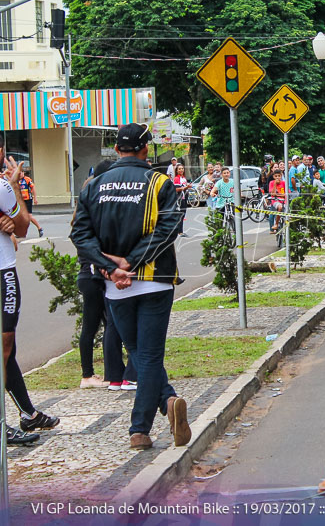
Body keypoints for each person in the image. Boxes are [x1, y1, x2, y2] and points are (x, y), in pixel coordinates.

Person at [70, 122, 191, 451]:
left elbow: (80, 235)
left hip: (113, 287)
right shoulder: (160, 182)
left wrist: (112, 266)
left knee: (139, 353)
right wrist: (132, 263)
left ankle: (164, 403)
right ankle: (142, 426)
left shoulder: (93, 185)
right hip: (154, 281)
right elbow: (170, 227)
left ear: (117, 149)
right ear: (145, 148)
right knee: (148, 356)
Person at [0, 150, 59, 445]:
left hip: (3, 273)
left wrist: (12, 188)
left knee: (6, 347)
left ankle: (28, 414)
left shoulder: (1, 187)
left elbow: (21, 227)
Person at [77, 160, 137, 392]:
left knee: (106, 325)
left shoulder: (89, 201)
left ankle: (112, 375)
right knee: (115, 324)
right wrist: (113, 265)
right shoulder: (100, 205)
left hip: (94, 274)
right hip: (99, 275)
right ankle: (124, 375)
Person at [15, 167, 43, 237]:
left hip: (28, 200)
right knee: (20, 217)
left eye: (21, 173)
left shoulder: (27, 180)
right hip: (21, 201)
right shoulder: (17, 181)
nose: (20, 174)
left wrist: (35, 198)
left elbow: (33, 188)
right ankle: (21, 233)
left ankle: (40, 228)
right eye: (19, 173)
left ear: (23, 173)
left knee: (29, 217)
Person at [172, 164, 190, 237]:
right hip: (179, 198)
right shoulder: (176, 178)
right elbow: (176, 189)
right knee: (180, 214)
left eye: (182, 168)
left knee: (183, 214)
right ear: (177, 170)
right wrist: (185, 187)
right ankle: (179, 232)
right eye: (179, 169)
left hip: (184, 197)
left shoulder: (183, 178)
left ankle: (180, 231)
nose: (181, 170)